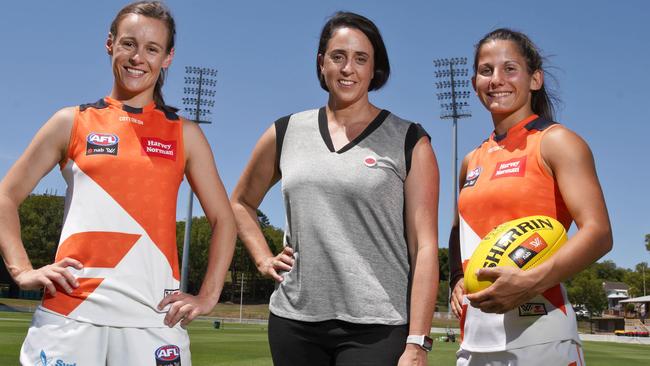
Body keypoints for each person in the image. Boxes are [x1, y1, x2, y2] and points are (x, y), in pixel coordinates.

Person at [0, 2, 236, 365]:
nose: (138, 57)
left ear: (168, 57)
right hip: (70, 315)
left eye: (152, 48)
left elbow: (223, 220)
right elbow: (6, 196)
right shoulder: (71, 121)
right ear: (110, 43)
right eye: (129, 43)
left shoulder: (185, 134)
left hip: (154, 319)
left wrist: (208, 296)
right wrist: (22, 270)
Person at [231, 11, 440, 366]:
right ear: (321, 63)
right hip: (295, 321)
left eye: (361, 59)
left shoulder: (409, 140)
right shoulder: (286, 132)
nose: (348, 69)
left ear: (375, 69)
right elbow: (240, 202)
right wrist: (264, 258)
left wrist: (418, 341)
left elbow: (424, 247)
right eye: (338, 57)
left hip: (378, 326)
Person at [448, 28, 612, 365]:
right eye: (486, 70)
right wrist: (456, 279)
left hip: (541, 334)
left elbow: (599, 234)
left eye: (510, 69)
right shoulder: (471, 161)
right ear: (475, 82)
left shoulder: (557, 142)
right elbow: (457, 232)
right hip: (474, 338)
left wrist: (529, 282)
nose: (496, 80)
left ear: (534, 79)